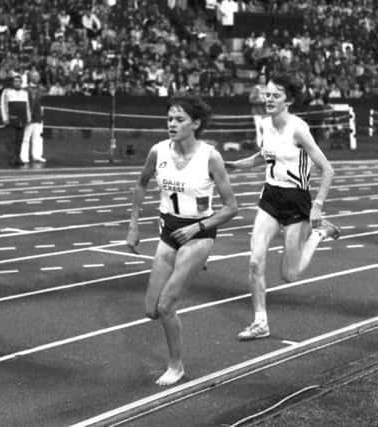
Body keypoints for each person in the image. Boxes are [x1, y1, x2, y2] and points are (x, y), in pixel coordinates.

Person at [126, 94, 238, 386]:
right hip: (168, 231)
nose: (171, 124)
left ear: (195, 124)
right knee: (151, 310)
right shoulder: (158, 151)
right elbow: (141, 183)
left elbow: (231, 208)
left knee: (166, 306)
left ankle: (176, 366)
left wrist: (196, 228)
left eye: (179, 120)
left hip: (198, 233)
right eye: (169, 119)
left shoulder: (210, 157)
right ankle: (191, 265)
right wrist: (134, 226)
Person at [225, 73, 340, 341]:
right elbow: (262, 157)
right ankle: (260, 322)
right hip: (270, 198)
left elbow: (328, 170)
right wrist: (233, 165)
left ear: (288, 100)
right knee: (255, 261)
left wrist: (317, 206)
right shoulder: (266, 124)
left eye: (276, 95)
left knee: (289, 274)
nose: (269, 99)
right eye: (267, 94)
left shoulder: (298, 129)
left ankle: (319, 233)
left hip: (297, 201)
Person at [0, 74, 30, 167]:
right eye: (15, 81)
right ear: (13, 83)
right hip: (11, 119)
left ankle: (18, 157)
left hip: (22, 119)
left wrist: (28, 117)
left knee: (20, 140)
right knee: (11, 140)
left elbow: (27, 106)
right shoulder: (7, 92)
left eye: (19, 82)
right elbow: (3, 106)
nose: (17, 83)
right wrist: (5, 118)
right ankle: (12, 158)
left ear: (21, 83)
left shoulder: (25, 93)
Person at [20, 70, 47, 164]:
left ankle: (37, 155)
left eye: (38, 76)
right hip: (28, 117)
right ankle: (24, 157)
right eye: (35, 76)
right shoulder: (25, 89)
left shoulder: (42, 89)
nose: (37, 77)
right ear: (31, 77)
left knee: (38, 137)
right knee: (26, 138)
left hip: (38, 116)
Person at [249, 72, 266, 147]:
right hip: (257, 112)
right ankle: (259, 146)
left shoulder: (268, 88)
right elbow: (251, 100)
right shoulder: (256, 88)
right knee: (259, 130)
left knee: (267, 130)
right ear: (259, 80)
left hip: (266, 113)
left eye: (264, 78)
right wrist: (260, 101)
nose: (263, 80)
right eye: (261, 78)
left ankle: (266, 146)